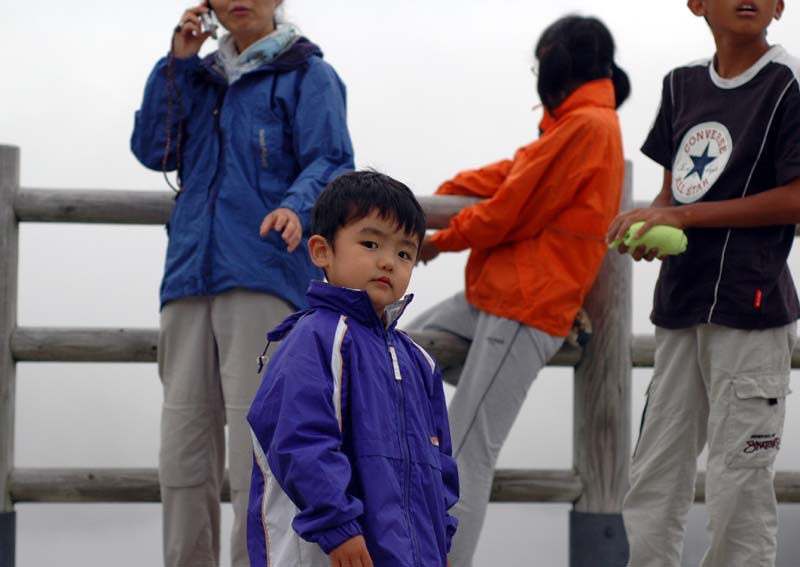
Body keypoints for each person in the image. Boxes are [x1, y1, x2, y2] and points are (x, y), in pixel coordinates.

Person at [130, 1, 354, 565]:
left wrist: (297, 208)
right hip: (186, 279)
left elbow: (331, 159)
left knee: (255, 453)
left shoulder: (310, 74)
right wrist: (178, 62)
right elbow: (153, 150)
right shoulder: (199, 76)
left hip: (264, 274)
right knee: (181, 455)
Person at [408, 15, 629, 567]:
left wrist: (438, 242)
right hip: (500, 296)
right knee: (402, 354)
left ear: (560, 60)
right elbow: (513, 174)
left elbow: (512, 208)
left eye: (543, 58)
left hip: (529, 306)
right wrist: (436, 199)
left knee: (467, 449)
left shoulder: (589, 126)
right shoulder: (574, 123)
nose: (540, 69)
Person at [608, 1, 800, 565]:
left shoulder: (788, 84)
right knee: (652, 481)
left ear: (781, 6)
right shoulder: (680, 85)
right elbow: (673, 195)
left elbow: (797, 197)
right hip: (679, 308)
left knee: (739, 488)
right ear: (697, 3)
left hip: (751, 309)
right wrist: (653, 224)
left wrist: (682, 218)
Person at [246, 171, 459, 567]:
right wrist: (337, 527)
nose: (387, 262)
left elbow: (440, 465)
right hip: (328, 550)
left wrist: (438, 541)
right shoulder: (314, 338)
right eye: (370, 243)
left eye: (404, 253)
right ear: (322, 251)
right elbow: (299, 442)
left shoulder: (418, 361)